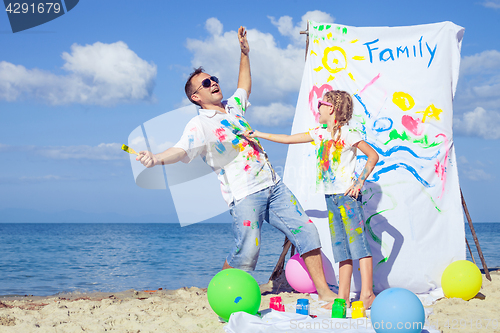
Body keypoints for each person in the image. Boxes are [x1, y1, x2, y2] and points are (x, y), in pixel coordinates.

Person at [136, 26, 337, 302]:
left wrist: (244, 53)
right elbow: (181, 149)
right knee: (247, 252)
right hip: (245, 194)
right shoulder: (199, 124)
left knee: (307, 230)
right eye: (206, 84)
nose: (213, 84)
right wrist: (156, 158)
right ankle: (220, 292)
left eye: (214, 79)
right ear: (196, 97)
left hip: (273, 185)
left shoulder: (233, 107)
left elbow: (244, 85)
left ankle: (325, 291)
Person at [245, 90, 379, 309]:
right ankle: (343, 298)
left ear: (331, 108)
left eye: (320, 104)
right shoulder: (319, 133)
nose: (317, 108)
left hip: (348, 199)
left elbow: (373, 156)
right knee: (341, 250)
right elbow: (288, 139)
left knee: (359, 247)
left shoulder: (348, 133)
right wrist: (259, 134)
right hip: (331, 198)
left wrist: (359, 183)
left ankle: (367, 294)